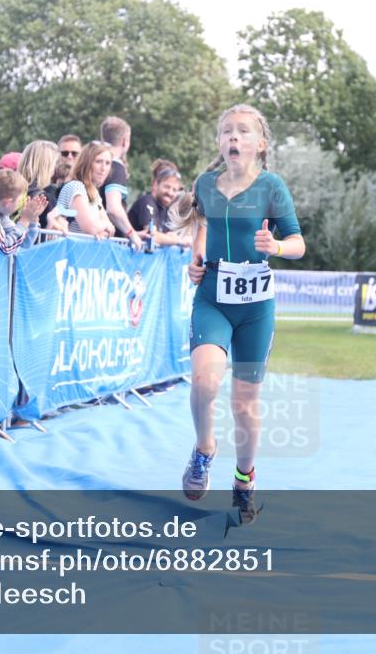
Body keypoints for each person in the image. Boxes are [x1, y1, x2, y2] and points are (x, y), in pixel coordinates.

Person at [174, 104, 305, 524]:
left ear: (260, 144)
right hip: (213, 297)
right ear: (219, 142)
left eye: (243, 131)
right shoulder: (205, 184)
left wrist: (277, 247)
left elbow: (298, 243)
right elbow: (202, 225)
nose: (234, 136)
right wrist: (197, 258)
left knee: (244, 404)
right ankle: (204, 449)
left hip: (255, 309)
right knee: (204, 381)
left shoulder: (272, 186)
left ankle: (244, 480)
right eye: (227, 130)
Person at [98, 116, 144, 249]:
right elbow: (113, 208)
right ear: (125, 141)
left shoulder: (92, 161)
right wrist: (131, 233)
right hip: (107, 244)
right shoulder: (116, 166)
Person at [55, 140, 116, 238]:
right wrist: (104, 226)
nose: (103, 168)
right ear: (86, 163)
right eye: (98, 161)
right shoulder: (76, 187)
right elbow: (91, 228)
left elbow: (111, 230)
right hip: (68, 247)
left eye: (108, 163)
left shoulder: (94, 192)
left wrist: (102, 229)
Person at [127, 159, 190, 248]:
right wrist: (180, 240)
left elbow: (167, 236)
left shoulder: (165, 209)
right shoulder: (147, 202)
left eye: (174, 190)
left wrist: (172, 237)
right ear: (155, 184)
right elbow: (153, 236)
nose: (170, 193)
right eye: (167, 187)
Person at [18, 139, 66, 231]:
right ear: (47, 166)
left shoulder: (11, 190)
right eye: (55, 163)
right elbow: (61, 230)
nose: (55, 168)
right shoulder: (45, 199)